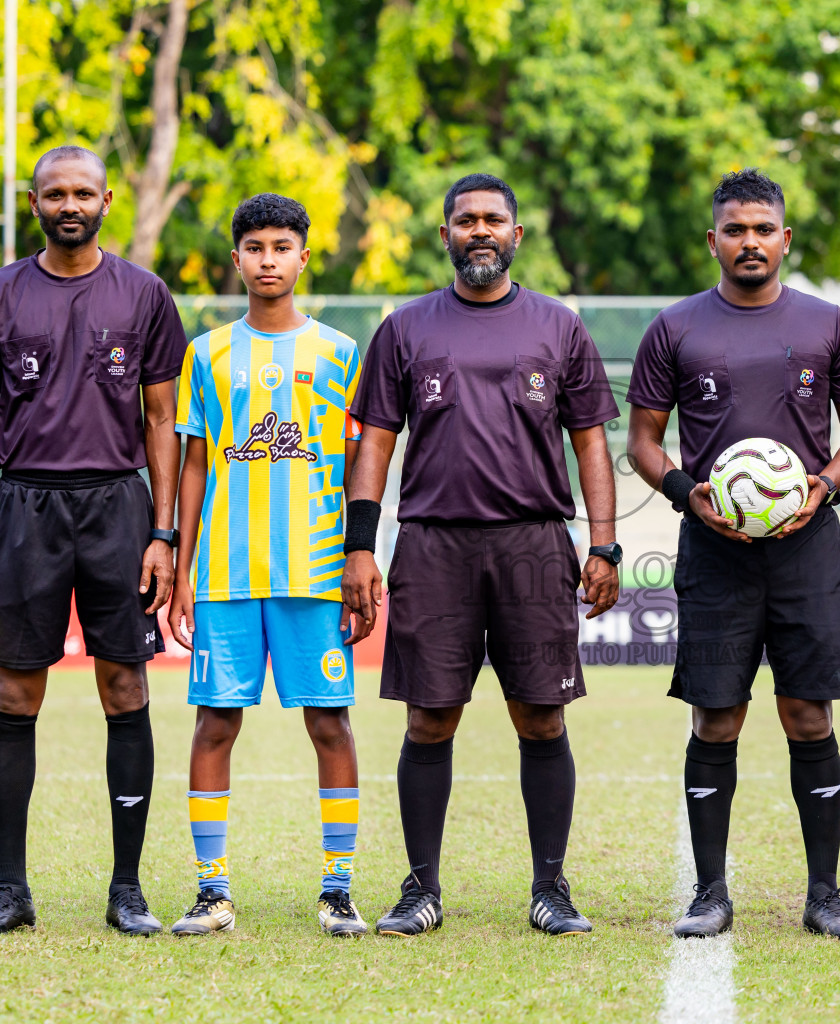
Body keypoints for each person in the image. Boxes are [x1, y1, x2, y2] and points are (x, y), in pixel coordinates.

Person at [341, 173, 621, 937]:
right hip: (433, 545)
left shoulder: (559, 327)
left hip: (534, 541)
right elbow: (373, 441)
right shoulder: (405, 329)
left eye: (494, 218)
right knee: (430, 719)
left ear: (517, 234)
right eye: (465, 220)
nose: (480, 230)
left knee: (541, 715)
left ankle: (551, 889)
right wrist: (359, 547)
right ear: (445, 235)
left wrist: (604, 544)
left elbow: (590, 440)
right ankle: (420, 889)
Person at [626, 168, 840, 939]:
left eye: (763, 229)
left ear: (785, 238)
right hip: (714, 549)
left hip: (809, 550)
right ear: (713, 241)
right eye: (735, 230)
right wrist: (685, 490)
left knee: (809, 714)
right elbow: (642, 440)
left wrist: (822, 487)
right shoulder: (674, 328)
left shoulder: (828, 324)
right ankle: (709, 893)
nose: (750, 242)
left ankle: (825, 894)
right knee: (717, 718)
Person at [0, 146, 187, 937]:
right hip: (25, 507)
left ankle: (127, 891)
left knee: (125, 689)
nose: (70, 203)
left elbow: (161, 419)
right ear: (35, 200)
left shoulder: (145, 294)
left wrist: (162, 532)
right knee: (17, 694)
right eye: (56, 193)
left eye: (84, 191)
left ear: (108, 199)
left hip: (119, 506)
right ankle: (10, 891)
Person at [164, 194, 366, 937]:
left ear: (304, 258)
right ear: (237, 260)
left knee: (330, 723)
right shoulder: (207, 354)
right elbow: (192, 466)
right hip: (224, 573)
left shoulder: (342, 352)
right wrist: (184, 569)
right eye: (256, 247)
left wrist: (356, 558)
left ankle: (337, 888)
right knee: (215, 722)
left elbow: (356, 467)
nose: (269, 259)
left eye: (283, 246)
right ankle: (211, 891)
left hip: (313, 574)